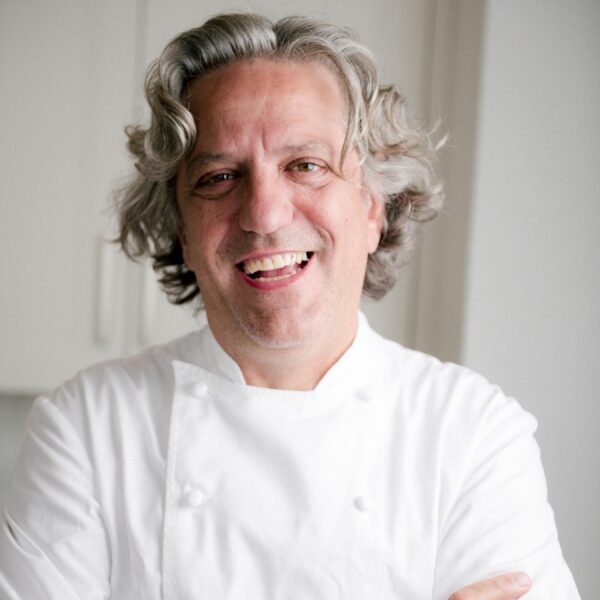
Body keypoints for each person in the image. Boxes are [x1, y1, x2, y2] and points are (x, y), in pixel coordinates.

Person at [0, 13, 580, 600]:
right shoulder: (88, 428)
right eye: (219, 177)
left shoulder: (473, 432)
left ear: (373, 208)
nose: (264, 213)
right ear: (182, 232)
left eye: (306, 166)